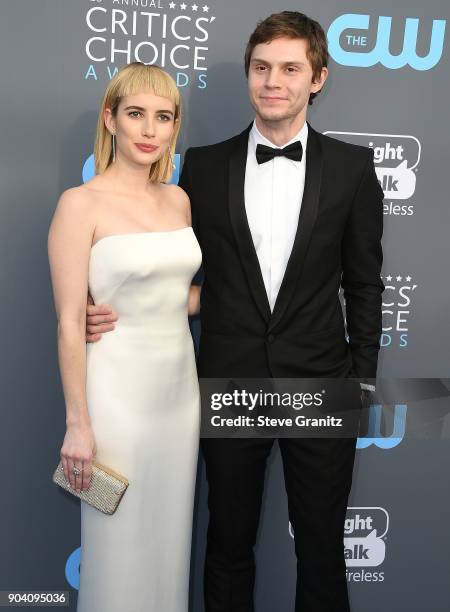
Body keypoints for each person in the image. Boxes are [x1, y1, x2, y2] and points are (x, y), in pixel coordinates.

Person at [86, 11, 384, 612]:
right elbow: (175, 269)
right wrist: (118, 308)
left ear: (317, 79)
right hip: (227, 380)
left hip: (322, 383)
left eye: (291, 68)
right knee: (227, 546)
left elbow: (365, 286)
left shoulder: (353, 169)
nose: (274, 81)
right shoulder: (204, 166)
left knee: (323, 551)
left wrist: (360, 383)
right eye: (261, 67)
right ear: (249, 75)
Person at [48, 63, 202, 612]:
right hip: (115, 395)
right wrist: (77, 424)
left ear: (173, 127)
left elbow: (177, 295)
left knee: (169, 539)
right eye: (136, 114)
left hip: (179, 394)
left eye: (163, 117)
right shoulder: (79, 204)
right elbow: (70, 320)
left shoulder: (178, 201)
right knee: (117, 543)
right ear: (110, 119)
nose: (149, 130)